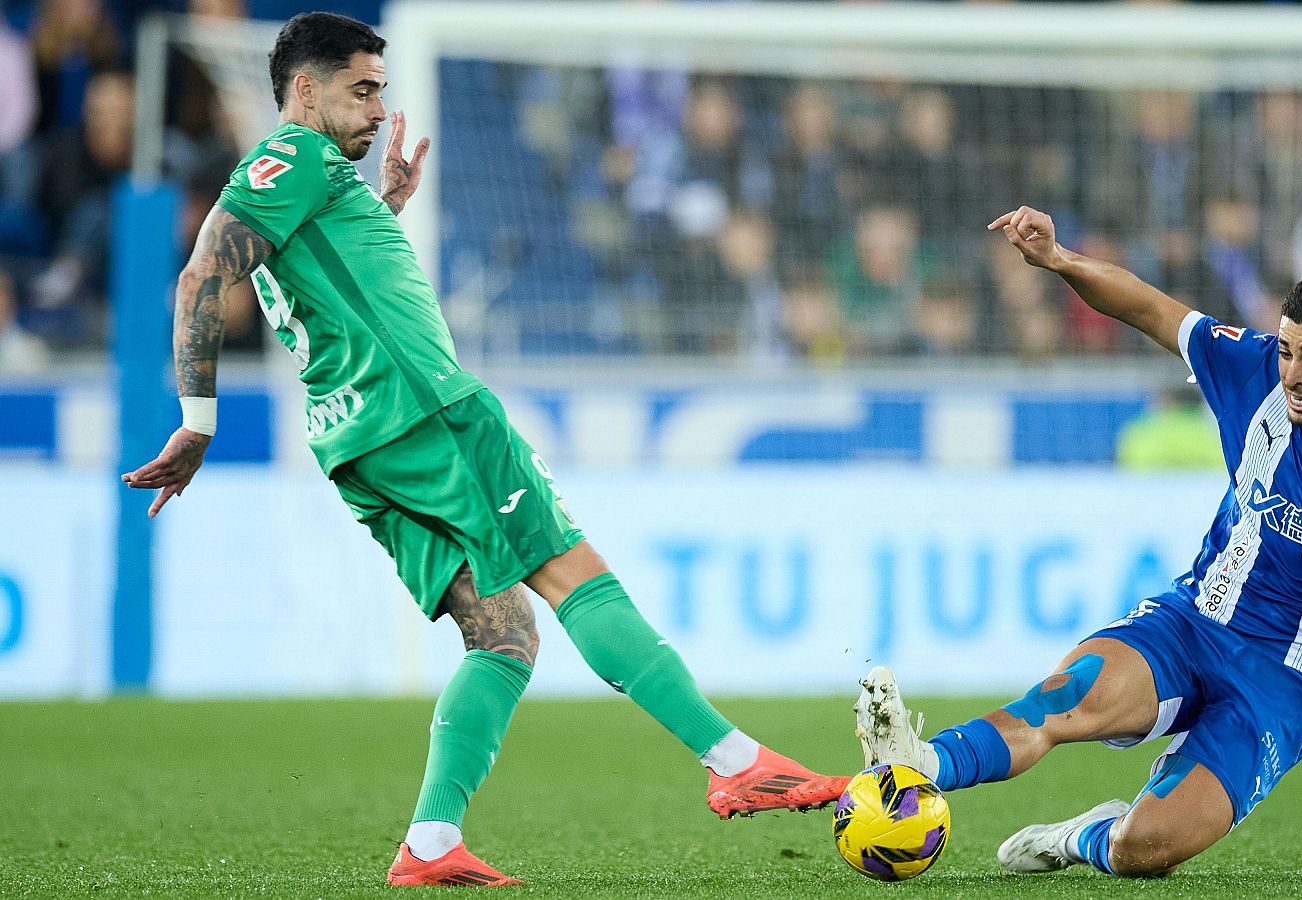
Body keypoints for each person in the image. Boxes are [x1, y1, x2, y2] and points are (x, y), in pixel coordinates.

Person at [121, 13, 846, 889]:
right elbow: (202, 272)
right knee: (572, 573)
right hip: (429, 414)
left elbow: (317, 274)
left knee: (502, 632)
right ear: (303, 90)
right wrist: (198, 422)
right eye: (361, 89)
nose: (377, 107)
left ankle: (430, 843)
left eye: (381, 89)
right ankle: (733, 759)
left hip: (356, 444)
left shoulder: (305, 183)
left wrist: (380, 202)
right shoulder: (291, 158)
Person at [853, 204, 1302, 880]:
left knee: (1143, 850)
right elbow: (1146, 307)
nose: (1292, 374)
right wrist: (1060, 261)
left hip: (1289, 682)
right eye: (1287, 351)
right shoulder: (1250, 368)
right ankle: (918, 760)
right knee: (1062, 702)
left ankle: (1086, 836)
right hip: (1195, 620)